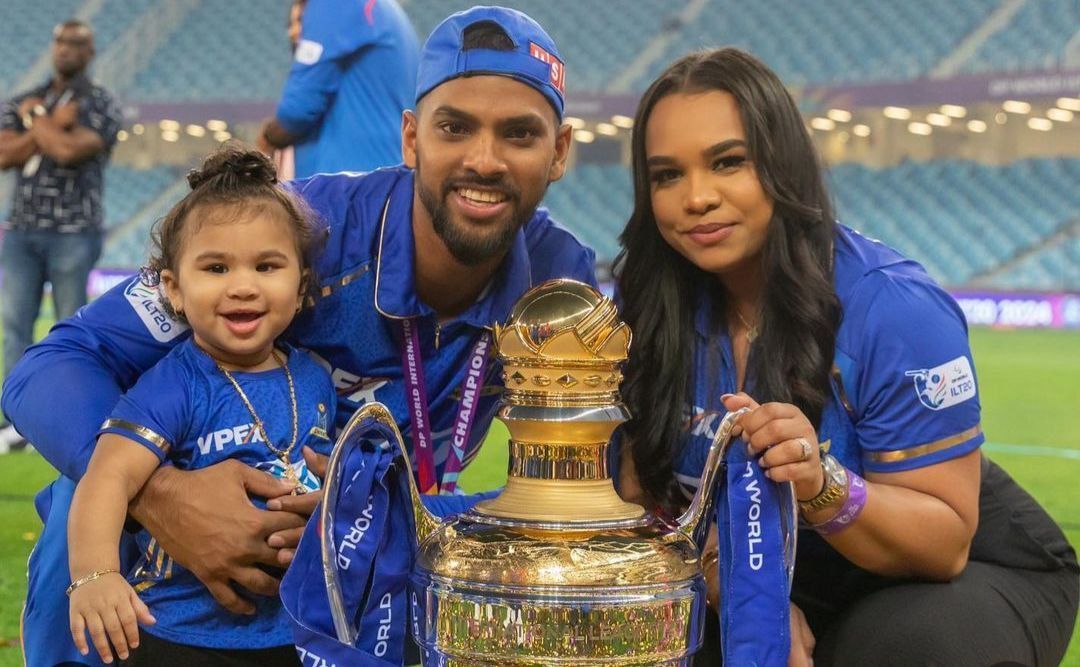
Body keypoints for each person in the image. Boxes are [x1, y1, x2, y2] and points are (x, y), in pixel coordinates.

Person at [4, 7, 591, 666]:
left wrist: (399, 511)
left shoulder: (563, 285)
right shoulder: (300, 231)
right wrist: (160, 494)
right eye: (454, 127)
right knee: (91, 488)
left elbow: (581, 491)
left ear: (560, 151)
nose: (483, 159)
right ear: (411, 138)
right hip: (156, 571)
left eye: (519, 133)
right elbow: (51, 366)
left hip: (345, 569)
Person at [613, 48, 1078, 666]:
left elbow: (944, 546)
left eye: (729, 162)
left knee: (896, 648)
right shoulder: (643, 310)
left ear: (782, 164)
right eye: (667, 175)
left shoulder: (893, 306)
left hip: (942, 573)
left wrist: (819, 483)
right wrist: (732, 581)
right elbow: (636, 504)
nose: (695, 197)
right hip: (772, 563)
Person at [67, 145, 334, 665]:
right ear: (174, 289)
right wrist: (94, 576)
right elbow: (107, 478)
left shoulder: (316, 376)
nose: (242, 286)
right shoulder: (176, 384)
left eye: (266, 266)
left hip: (292, 630)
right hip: (180, 634)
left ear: (299, 288)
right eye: (215, 267)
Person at [0, 19, 121, 450]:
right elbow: (3, 154)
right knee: (15, 327)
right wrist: (46, 121)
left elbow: (69, 151)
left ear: (90, 52)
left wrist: (33, 125)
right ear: (53, 47)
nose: (67, 49)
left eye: (77, 43)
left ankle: (63, 418)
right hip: (21, 230)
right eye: (61, 42)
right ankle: (16, 422)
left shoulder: (100, 104)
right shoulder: (26, 101)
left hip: (75, 231)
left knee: (72, 328)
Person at [257, 0, 419, 178]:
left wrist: (267, 139)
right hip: (386, 178)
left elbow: (297, 111)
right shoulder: (390, 12)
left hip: (348, 188)